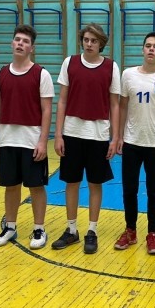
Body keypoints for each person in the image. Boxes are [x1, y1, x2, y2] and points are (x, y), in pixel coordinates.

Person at [52, 23, 120, 254]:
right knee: (71, 182)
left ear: (101, 43)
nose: (89, 44)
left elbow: (114, 104)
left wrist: (114, 137)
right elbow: (62, 100)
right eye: (86, 39)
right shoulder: (69, 63)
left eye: (94, 40)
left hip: (98, 135)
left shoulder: (111, 67)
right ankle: (71, 230)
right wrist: (58, 134)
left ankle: (92, 230)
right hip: (71, 133)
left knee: (94, 183)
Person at [0, 24, 54, 249]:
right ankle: (10, 227)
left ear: (31, 48)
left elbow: (47, 110)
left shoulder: (41, 74)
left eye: (25, 41)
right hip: (7, 140)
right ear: (12, 43)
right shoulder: (0, 74)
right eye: (17, 40)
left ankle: (39, 228)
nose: (20, 44)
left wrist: (43, 141)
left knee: (36, 186)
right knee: (11, 186)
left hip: (32, 141)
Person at [114, 32, 155, 254]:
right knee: (129, 189)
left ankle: (152, 234)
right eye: (148, 45)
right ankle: (130, 230)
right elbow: (122, 107)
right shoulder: (128, 75)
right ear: (143, 49)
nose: (151, 49)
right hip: (132, 142)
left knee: (154, 191)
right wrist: (119, 136)